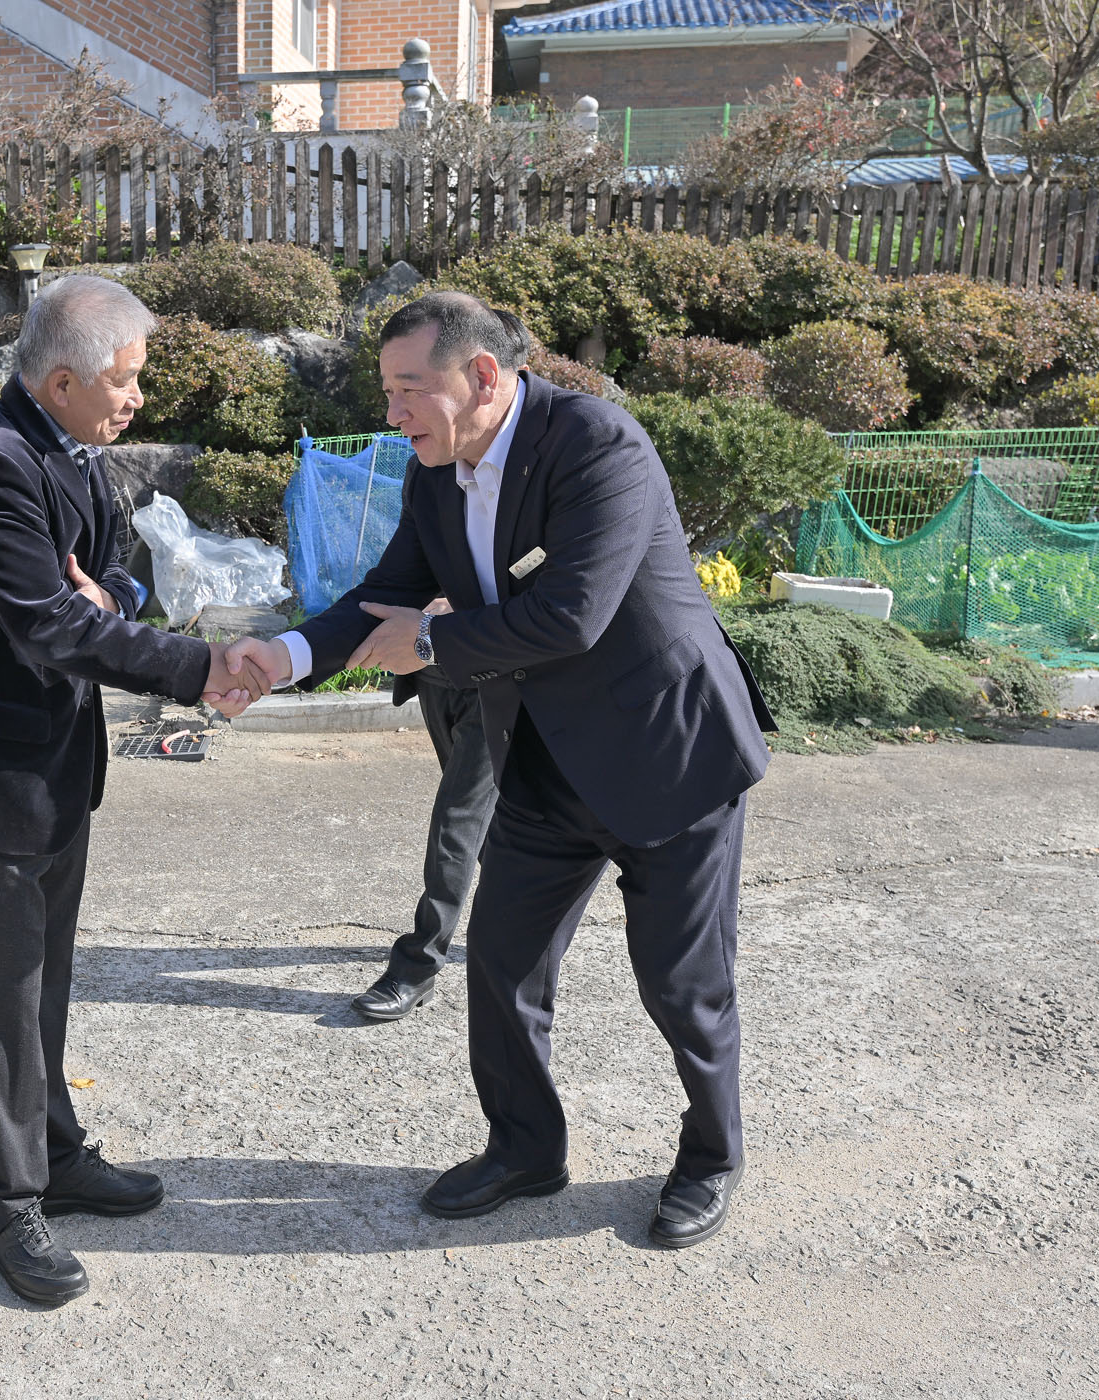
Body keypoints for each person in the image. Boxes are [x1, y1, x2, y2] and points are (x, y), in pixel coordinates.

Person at [229, 292, 775, 1248]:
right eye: (386, 390)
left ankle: (711, 1155)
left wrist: (431, 642)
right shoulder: (436, 473)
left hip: (665, 754)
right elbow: (384, 596)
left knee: (682, 982)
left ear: (483, 376)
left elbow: (572, 614)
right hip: (547, 763)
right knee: (502, 962)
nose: (393, 411)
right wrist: (283, 657)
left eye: (409, 388)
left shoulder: (596, 443)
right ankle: (526, 1149)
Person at [0, 275, 268, 1306]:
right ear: (60, 380)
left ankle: (54, 1153)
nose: (137, 397)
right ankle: (4, 1204)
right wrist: (197, 667)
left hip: (56, 769)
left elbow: (114, 576)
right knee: (0, 1003)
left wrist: (116, 596)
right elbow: (50, 623)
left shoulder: (71, 451)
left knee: (43, 986)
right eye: (124, 379)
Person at [351, 598, 498, 1022]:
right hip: (433, 673)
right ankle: (523, 925)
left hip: (494, 676)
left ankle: (417, 966)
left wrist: (463, 602)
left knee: (457, 821)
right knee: (485, 821)